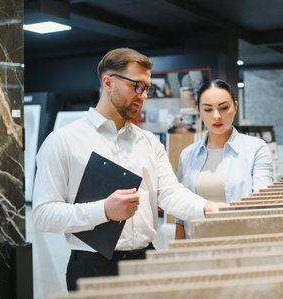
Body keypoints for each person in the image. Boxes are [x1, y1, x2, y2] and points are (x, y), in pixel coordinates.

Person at [31, 48, 225, 291]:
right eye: (137, 86)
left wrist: (206, 208)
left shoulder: (150, 142)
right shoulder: (62, 141)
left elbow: (170, 193)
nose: (143, 96)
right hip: (93, 270)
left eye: (147, 89)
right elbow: (43, 215)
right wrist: (103, 210)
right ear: (108, 82)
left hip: (146, 262)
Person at [175, 79, 274, 239]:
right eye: (207, 109)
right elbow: (181, 214)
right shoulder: (187, 155)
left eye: (223, 108)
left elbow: (263, 205)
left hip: (241, 243)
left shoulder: (255, 148)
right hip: (196, 246)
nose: (216, 116)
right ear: (199, 111)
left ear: (235, 107)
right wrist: (177, 254)